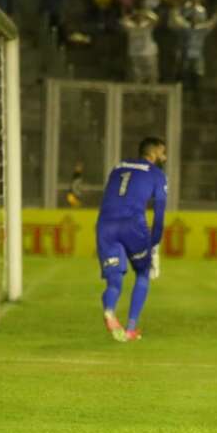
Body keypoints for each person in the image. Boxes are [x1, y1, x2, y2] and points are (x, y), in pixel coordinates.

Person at [96, 137, 168, 342]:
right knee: (143, 272)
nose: (165, 157)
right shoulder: (157, 174)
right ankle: (130, 328)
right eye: (163, 153)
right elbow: (160, 213)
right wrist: (154, 243)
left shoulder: (118, 167)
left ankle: (109, 310)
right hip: (132, 225)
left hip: (105, 225)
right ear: (153, 153)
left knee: (114, 282)